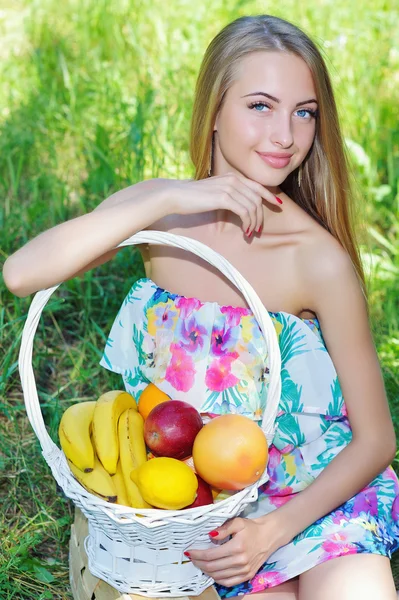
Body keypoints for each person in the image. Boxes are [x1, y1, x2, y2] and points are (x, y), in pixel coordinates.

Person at [3, 13, 399, 600]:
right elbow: (21, 274)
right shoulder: (162, 217)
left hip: (318, 493)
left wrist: (273, 531)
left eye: (304, 111)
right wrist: (169, 193)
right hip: (204, 498)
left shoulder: (315, 259)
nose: (285, 135)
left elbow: (375, 439)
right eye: (260, 106)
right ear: (214, 110)